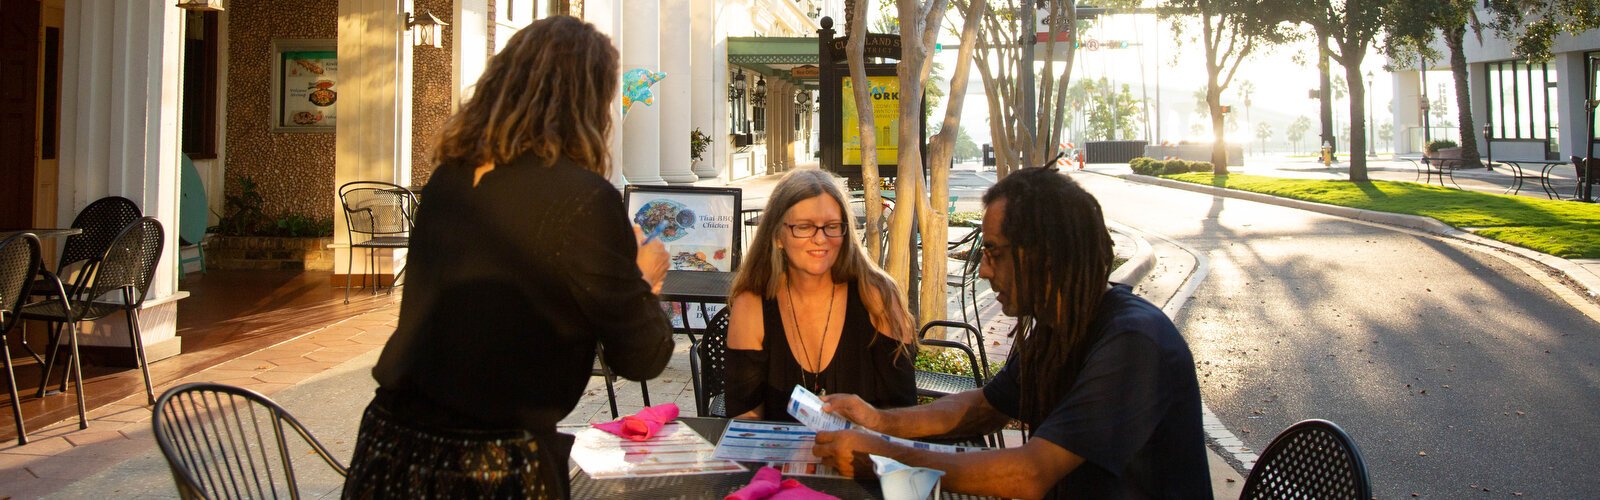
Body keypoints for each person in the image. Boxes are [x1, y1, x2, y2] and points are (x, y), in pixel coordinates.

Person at [342, 16, 674, 499]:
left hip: (389, 446)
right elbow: (643, 355)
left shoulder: (448, 178)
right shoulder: (584, 200)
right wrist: (643, 280)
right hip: (493, 467)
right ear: (588, 100)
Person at [811, 168, 1211, 499]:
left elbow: (1029, 474)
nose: (984, 270)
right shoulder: (1057, 326)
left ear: (1045, 254)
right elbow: (986, 408)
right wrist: (878, 421)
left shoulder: (1132, 341)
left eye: (994, 253)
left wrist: (884, 457)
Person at [723, 169, 916, 421]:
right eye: (804, 227)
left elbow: (903, 409)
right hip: (778, 456)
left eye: (832, 226)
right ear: (777, 236)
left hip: (866, 454)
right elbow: (744, 414)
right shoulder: (752, 303)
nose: (820, 238)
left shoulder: (877, 296)